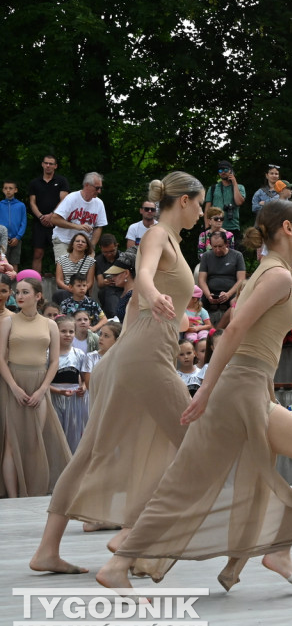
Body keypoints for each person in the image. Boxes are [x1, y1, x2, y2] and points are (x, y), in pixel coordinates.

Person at [96, 197, 292, 593]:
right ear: (288, 229)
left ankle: (277, 550)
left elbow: (252, 339)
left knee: (196, 479)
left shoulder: (271, 271)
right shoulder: (275, 275)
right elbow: (235, 329)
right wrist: (207, 388)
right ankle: (120, 562)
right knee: (190, 482)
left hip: (249, 388)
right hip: (237, 390)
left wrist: (261, 390)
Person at [31, 171, 203, 576]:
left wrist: (165, 301)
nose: (201, 211)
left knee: (97, 449)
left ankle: (50, 549)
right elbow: (142, 272)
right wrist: (152, 291)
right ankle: (131, 536)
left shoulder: (176, 242)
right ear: (183, 201)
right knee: (196, 441)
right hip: (143, 356)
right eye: (198, 203)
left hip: (135, 355)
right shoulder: (158, 234)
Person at [0, 277, 70, 498]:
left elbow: (55, 361)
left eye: (24, 292)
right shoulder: (8, 322)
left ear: (38, 296)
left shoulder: (50, 324)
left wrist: (42, 390)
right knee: (12, 443)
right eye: (17, 292)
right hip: (13, 382)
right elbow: (0, 358)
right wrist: (13, 386)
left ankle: (31, 492)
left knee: (33, 440)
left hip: (40, 383)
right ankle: (13, 497)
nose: (19, 296)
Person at [28, 155, 70, 273]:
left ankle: (63, 283)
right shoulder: (34, 182)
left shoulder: (62, 181)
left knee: (61, 254)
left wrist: (52, 215)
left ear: (55, 166)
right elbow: (32, 203)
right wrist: (42, 217)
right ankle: (35, 283)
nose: (48, 166)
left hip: (57, 222)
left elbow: (64, 200)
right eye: (46, 163)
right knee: (37, 253)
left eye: (51, 163)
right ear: (42, 164)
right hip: (39, 222)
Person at [50, 172, 106, 259]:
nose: (99, 191)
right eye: (97, 188)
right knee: (66, 270)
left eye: (100, 188)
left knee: (86, 270)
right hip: (64, 241)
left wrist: (92, 246)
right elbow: (54, 219)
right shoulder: (71, 198)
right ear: (87, 185)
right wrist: (77, 227)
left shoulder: (99, 203)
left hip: (84, 244)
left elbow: (99, 227)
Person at [198, 232, 247, 324]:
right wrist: (208, 295)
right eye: (214, 246)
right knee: (196, 301)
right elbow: (201, 279)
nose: (217, 250)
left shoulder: (237, 255)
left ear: (226, 244)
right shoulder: (206, 256)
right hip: (211, 292)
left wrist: (228, 294)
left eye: (220, 246)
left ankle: (226, 328)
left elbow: (241, 279)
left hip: (231, 291)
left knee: (236, 302)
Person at [204, 160, 245, 240]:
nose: (223, 172)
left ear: (231, 171)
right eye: (220, 170)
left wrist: (234, 183)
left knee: (233, 252)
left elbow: (239, 202)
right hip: (215, 227)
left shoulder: (239, 187)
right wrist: (207, 227)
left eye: (226, 170)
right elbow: (207, 209)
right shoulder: (213, 188)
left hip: (233, 227)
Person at [53, 232, 96, 304]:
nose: (80, 243)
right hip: (66, 289)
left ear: (87, 246)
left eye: (83, 242)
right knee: (60, 293)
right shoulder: (61, 259)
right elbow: (59, 280)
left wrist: (80, 290)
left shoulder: (91, 261)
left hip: (82, 290)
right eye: (77, 241)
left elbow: (90, 282)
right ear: (72, 244)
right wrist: (70, 289)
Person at [0, 179, 27, 268]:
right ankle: (2, 282)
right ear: (3, 190)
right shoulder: (0, 204)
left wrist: (18, 237)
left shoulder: (21, 205)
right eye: (6, 188)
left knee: (15, 262)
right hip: (2, 239)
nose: (8, 190)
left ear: (15, 190)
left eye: (10, 188)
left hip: (16, 239)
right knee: (2, 261)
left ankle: (14, 282)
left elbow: (23, 222)